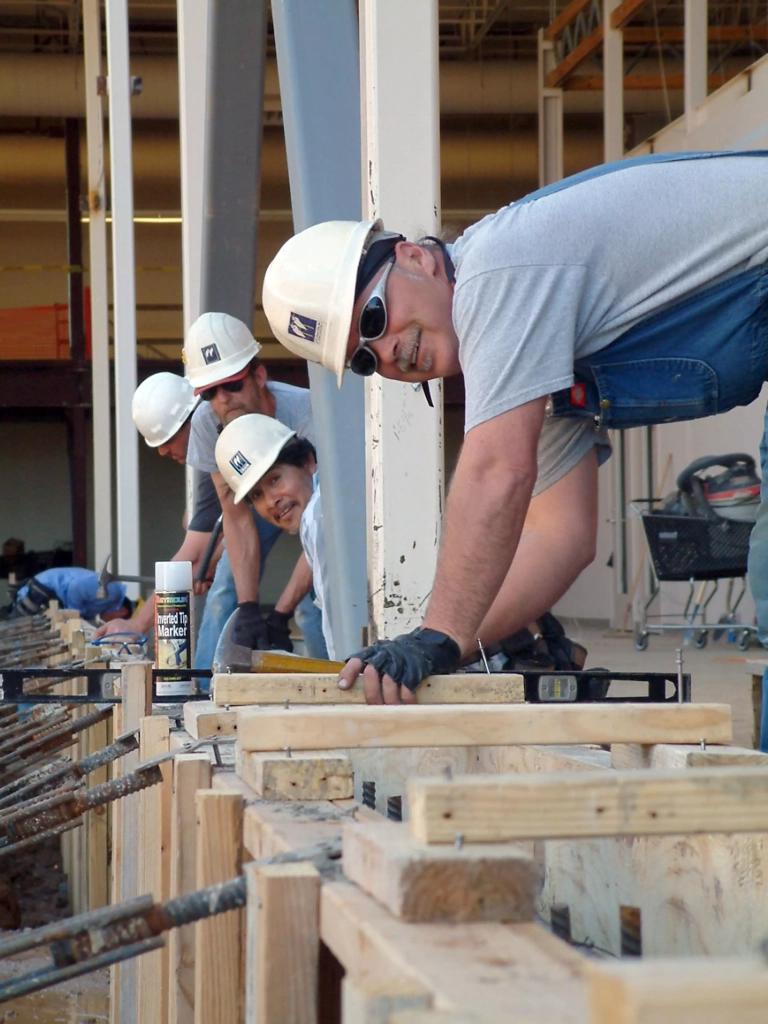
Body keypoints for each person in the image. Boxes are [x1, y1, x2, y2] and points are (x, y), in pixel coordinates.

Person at [262, 151, 768, 706]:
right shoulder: (532, 359)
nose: (386, 351)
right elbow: (561, 536)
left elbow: (498, 470)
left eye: (375, 318)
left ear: (414, 258)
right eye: (364, 358)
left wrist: (441, 634)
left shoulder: (495, 273)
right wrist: (447, 644)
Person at [182, 312, 327, 661]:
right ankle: (206, 689)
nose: (222, 399)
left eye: (232, 384)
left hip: (318, 505)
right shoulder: (206, 424)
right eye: (209, 392)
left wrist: (281, 612)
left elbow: (325, 527)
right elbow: (237, 517)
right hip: (263, 504)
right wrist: (249, 608)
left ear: (259, 376)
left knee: (313, 605)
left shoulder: (311, 415)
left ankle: (339, 685)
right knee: (224, 595)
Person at [94, 371, 227, 668]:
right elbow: (205, 538)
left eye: (167, 439)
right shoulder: (213, 447)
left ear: (192, 420)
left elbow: (189, 560)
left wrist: (136, 625)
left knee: (223, 591)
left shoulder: (216, 445)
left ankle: (208, 687)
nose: (162, 450)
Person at [215, 414, 336, 658]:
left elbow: (342, 634)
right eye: (257, 495)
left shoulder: (317, 516)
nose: (272, 501)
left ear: (307, 461)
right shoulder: (324, 506)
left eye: (275, 479)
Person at [9, 567, 132, 621]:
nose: (111, 622)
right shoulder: (113, 592)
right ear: (123, 612)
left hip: (48, 590)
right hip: (45, 589)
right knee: (15, 630)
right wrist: (76, 613)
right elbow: (75, 587)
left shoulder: (109, 601)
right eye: (117, 620)